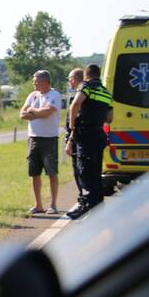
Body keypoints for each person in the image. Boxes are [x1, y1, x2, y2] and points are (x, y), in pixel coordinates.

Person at [66, 63, 113, 219]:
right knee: (96, 172)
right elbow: (109, 118)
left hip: (85, 135)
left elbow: (76, 104)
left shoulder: (86, 87)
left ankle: (86, 205)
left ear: (86, 75)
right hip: (99, 134)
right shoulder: (106, 93)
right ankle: (98, 205)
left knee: (84, 171)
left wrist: (73, 125)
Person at [20, 69, 62, 215]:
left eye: (36, 81)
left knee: (51, 172)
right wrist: (37, 112)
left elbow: (48, 113)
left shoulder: (54, 95)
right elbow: (22, 114)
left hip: (49, 139)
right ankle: (38, 205)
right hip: (33, 138)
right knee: (34, 173)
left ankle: (53, 205)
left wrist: (33, 111)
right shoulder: (32, 95)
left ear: (45, 82)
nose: (34, 84)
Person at [64, 67, 85, 213]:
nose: (69, 82)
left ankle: (83, 201)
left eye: (70, 79)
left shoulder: (81, 96)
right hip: (77, 138)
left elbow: (75, 124)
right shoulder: (77, 95)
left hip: (78, 139)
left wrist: (70, 140)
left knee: (80, 172)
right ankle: (82, 200)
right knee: (78, 172)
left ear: (75, 79)